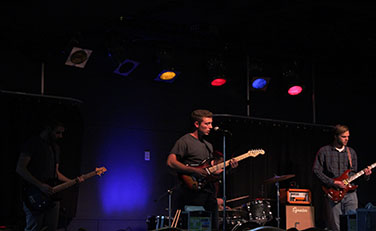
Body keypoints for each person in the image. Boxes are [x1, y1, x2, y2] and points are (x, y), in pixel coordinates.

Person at [166, 109, 238, 230]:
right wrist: (194, 171)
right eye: (207, 123)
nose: (211, 127)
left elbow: (210, 172)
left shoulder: (208, 145)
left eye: (211, 123)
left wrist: (230, 167)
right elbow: (170, 162)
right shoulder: (185, 141)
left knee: (213, 226)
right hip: (192, 192)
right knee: (195, 226)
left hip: (208, 192)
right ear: (197, 124)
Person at [16, 119, 83, 231]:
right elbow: (20, 168)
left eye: (62, 133)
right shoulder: (33, 143)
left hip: (52, 196)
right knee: (34, 227)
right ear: (48, 129)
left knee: (51, 227)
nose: (60, 136)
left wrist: (72, 181)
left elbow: (56, 174)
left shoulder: (55, 148)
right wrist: (40, 185)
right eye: (57, 132)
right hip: (34, 194)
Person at [313, 124, 372, 231]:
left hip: (350, 194)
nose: (346, 139)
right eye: (343, 137)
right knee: (336, 226)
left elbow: (354, 175)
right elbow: (316, 171)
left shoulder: (351, 152)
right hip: (333, 193)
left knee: (353, 224)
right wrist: (333, 182)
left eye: (348, 137)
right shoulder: (324, 151)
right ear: (335, 136)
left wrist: (366, 176)